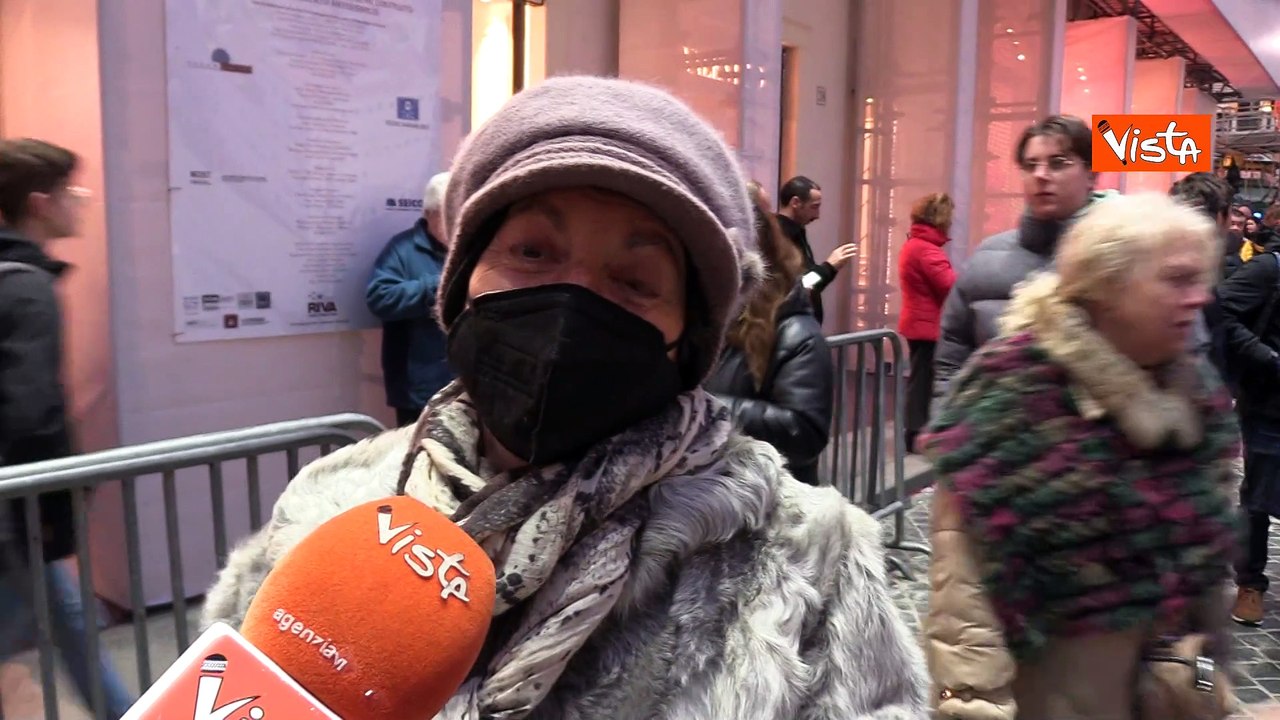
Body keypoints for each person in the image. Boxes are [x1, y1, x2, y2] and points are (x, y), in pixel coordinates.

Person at [201, 77, 928, 719]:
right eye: (533, 253)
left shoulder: (801, 560)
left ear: (687, 338)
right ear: (461, 287)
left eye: (635, 282)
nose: (573, 302)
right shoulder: (330, 509)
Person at [922, 193, 1238, 719]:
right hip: (1053, 698)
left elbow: (1210, 573)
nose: (1200, 298)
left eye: (1201, 279)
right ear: (1108, 284)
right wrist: (973, 707)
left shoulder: (1196, 396)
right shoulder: (1011, 395)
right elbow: (964, 602)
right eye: (1178, 279)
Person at [0, 138, 133, 718]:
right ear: (39, 203)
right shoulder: (27, 287)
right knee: (65, 618)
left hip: (12, 506)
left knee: (65, 616)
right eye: (71, 192)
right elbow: (30, 411)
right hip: (15, 506)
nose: (82, 202)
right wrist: (58, 495)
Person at [933, 115, 1115, 401]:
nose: (1041, 174)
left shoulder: (1126, 259)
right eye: (1031, 165)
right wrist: (948, 427)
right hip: (996, 437)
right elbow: (952, 356)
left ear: (1091, 174)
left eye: (1058, 163)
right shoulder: (986, 259)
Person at [705, 181, 833, 485]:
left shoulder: (797, 332)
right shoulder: (700, 319)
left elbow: (804, 432)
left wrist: (701, 408)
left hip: (766, 502)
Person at [1217, 202, 1280, 626]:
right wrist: (1265, 356)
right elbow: (1219, 310)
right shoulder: (1268, 269)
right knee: (1258, 498)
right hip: (1269, 405)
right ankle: (1251, 583)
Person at [366, 171, 455, 427]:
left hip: (467, 385)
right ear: (429, 215)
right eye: (448, 215)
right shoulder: (402, 249)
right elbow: (379, 298)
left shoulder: (469, 247)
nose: (457, 222)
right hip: (418, 389)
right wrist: (439, 286)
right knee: (418, 462)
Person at [896, 193, 956, 453]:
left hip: (919, 324)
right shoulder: (926, 250)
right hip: (927, 327)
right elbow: (950, 285)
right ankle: (916, 434)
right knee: (922, 385)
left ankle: (916, 432)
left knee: (920, 381)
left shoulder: (915, 245)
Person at [775, 176, 857, 323]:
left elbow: (808, 285)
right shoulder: (781, 237)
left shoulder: (794, 232)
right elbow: (802, 286)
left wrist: (829, 268)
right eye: (814, 207)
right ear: (795, 203)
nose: (817, 215)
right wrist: (829, 267)